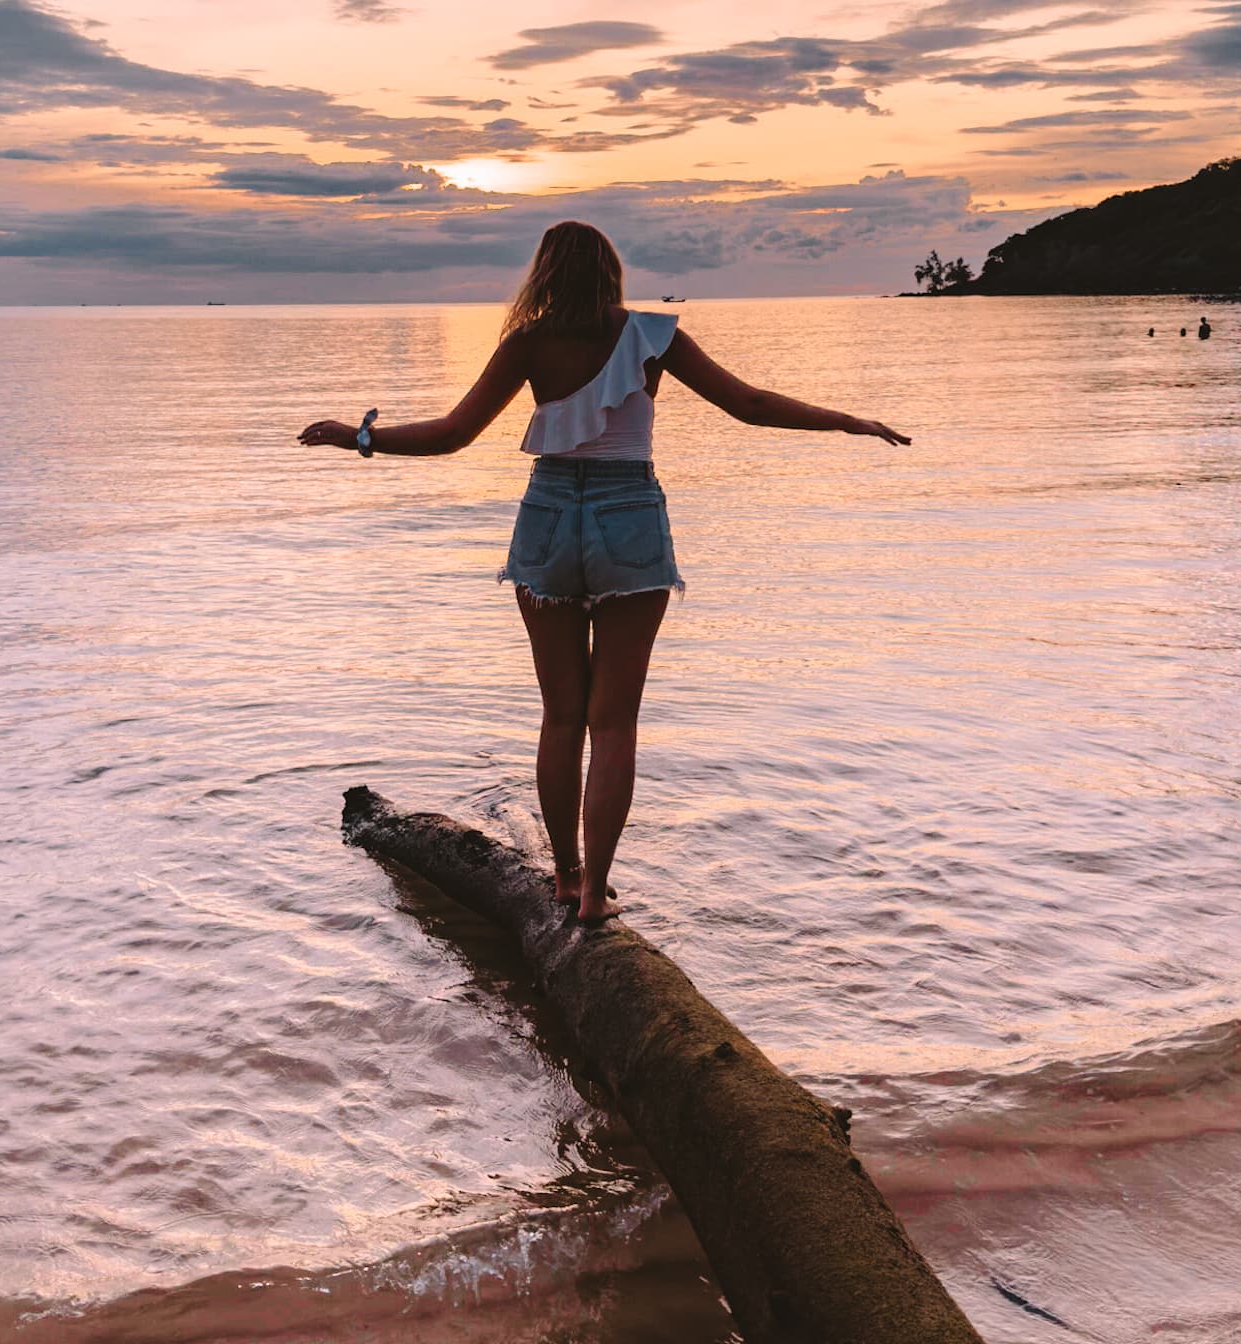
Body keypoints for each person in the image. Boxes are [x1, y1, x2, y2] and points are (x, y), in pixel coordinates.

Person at [298, 222, 909, 925]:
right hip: (629, 516)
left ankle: (562, 876)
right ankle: (593, 898)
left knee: (562, 716)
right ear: (612, 270)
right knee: (612, 723)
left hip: (550, 513)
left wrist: (360, 437)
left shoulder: (527, 341)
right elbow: (750, 405)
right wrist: (845, 420)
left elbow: (452, 435)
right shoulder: (654, 336)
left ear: (544, 273)